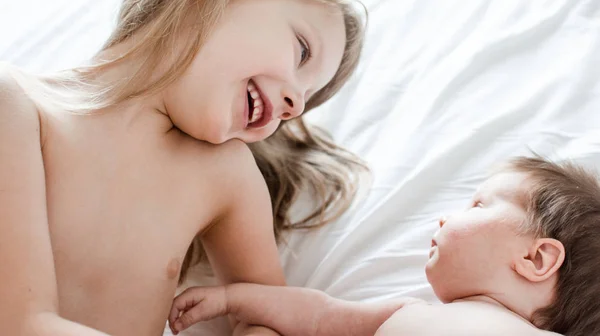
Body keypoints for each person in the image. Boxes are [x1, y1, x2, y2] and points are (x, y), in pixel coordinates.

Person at [0, 0, 367, 335]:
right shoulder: (18, 105)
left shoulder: (226, 176)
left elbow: (266, 316)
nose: (294, 104)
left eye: (307, 99)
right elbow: (22, 323)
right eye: (302, 52)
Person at [168, 156, 600, 336]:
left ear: (536, 258)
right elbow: (318, 318)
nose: (446, 217)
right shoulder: (410, 315)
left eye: (478, 205)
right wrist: (233, 298)